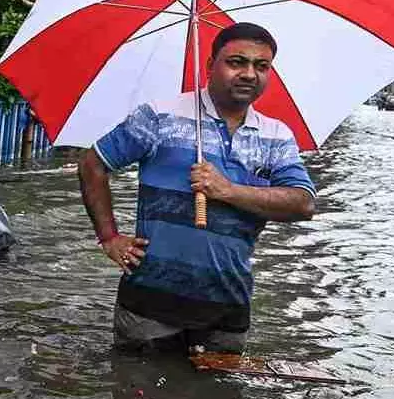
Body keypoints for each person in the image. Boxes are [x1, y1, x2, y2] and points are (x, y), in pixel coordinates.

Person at [77, 23, 317, 356]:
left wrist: (227, 190)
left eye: (261, 66)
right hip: (150, 303)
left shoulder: (276, 136)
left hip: (226, 305)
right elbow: (93, 163)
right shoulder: (160, 116)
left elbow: (303, 203)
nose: (249, 74)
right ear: (209, 66)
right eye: (237, 62)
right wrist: (109, 237)